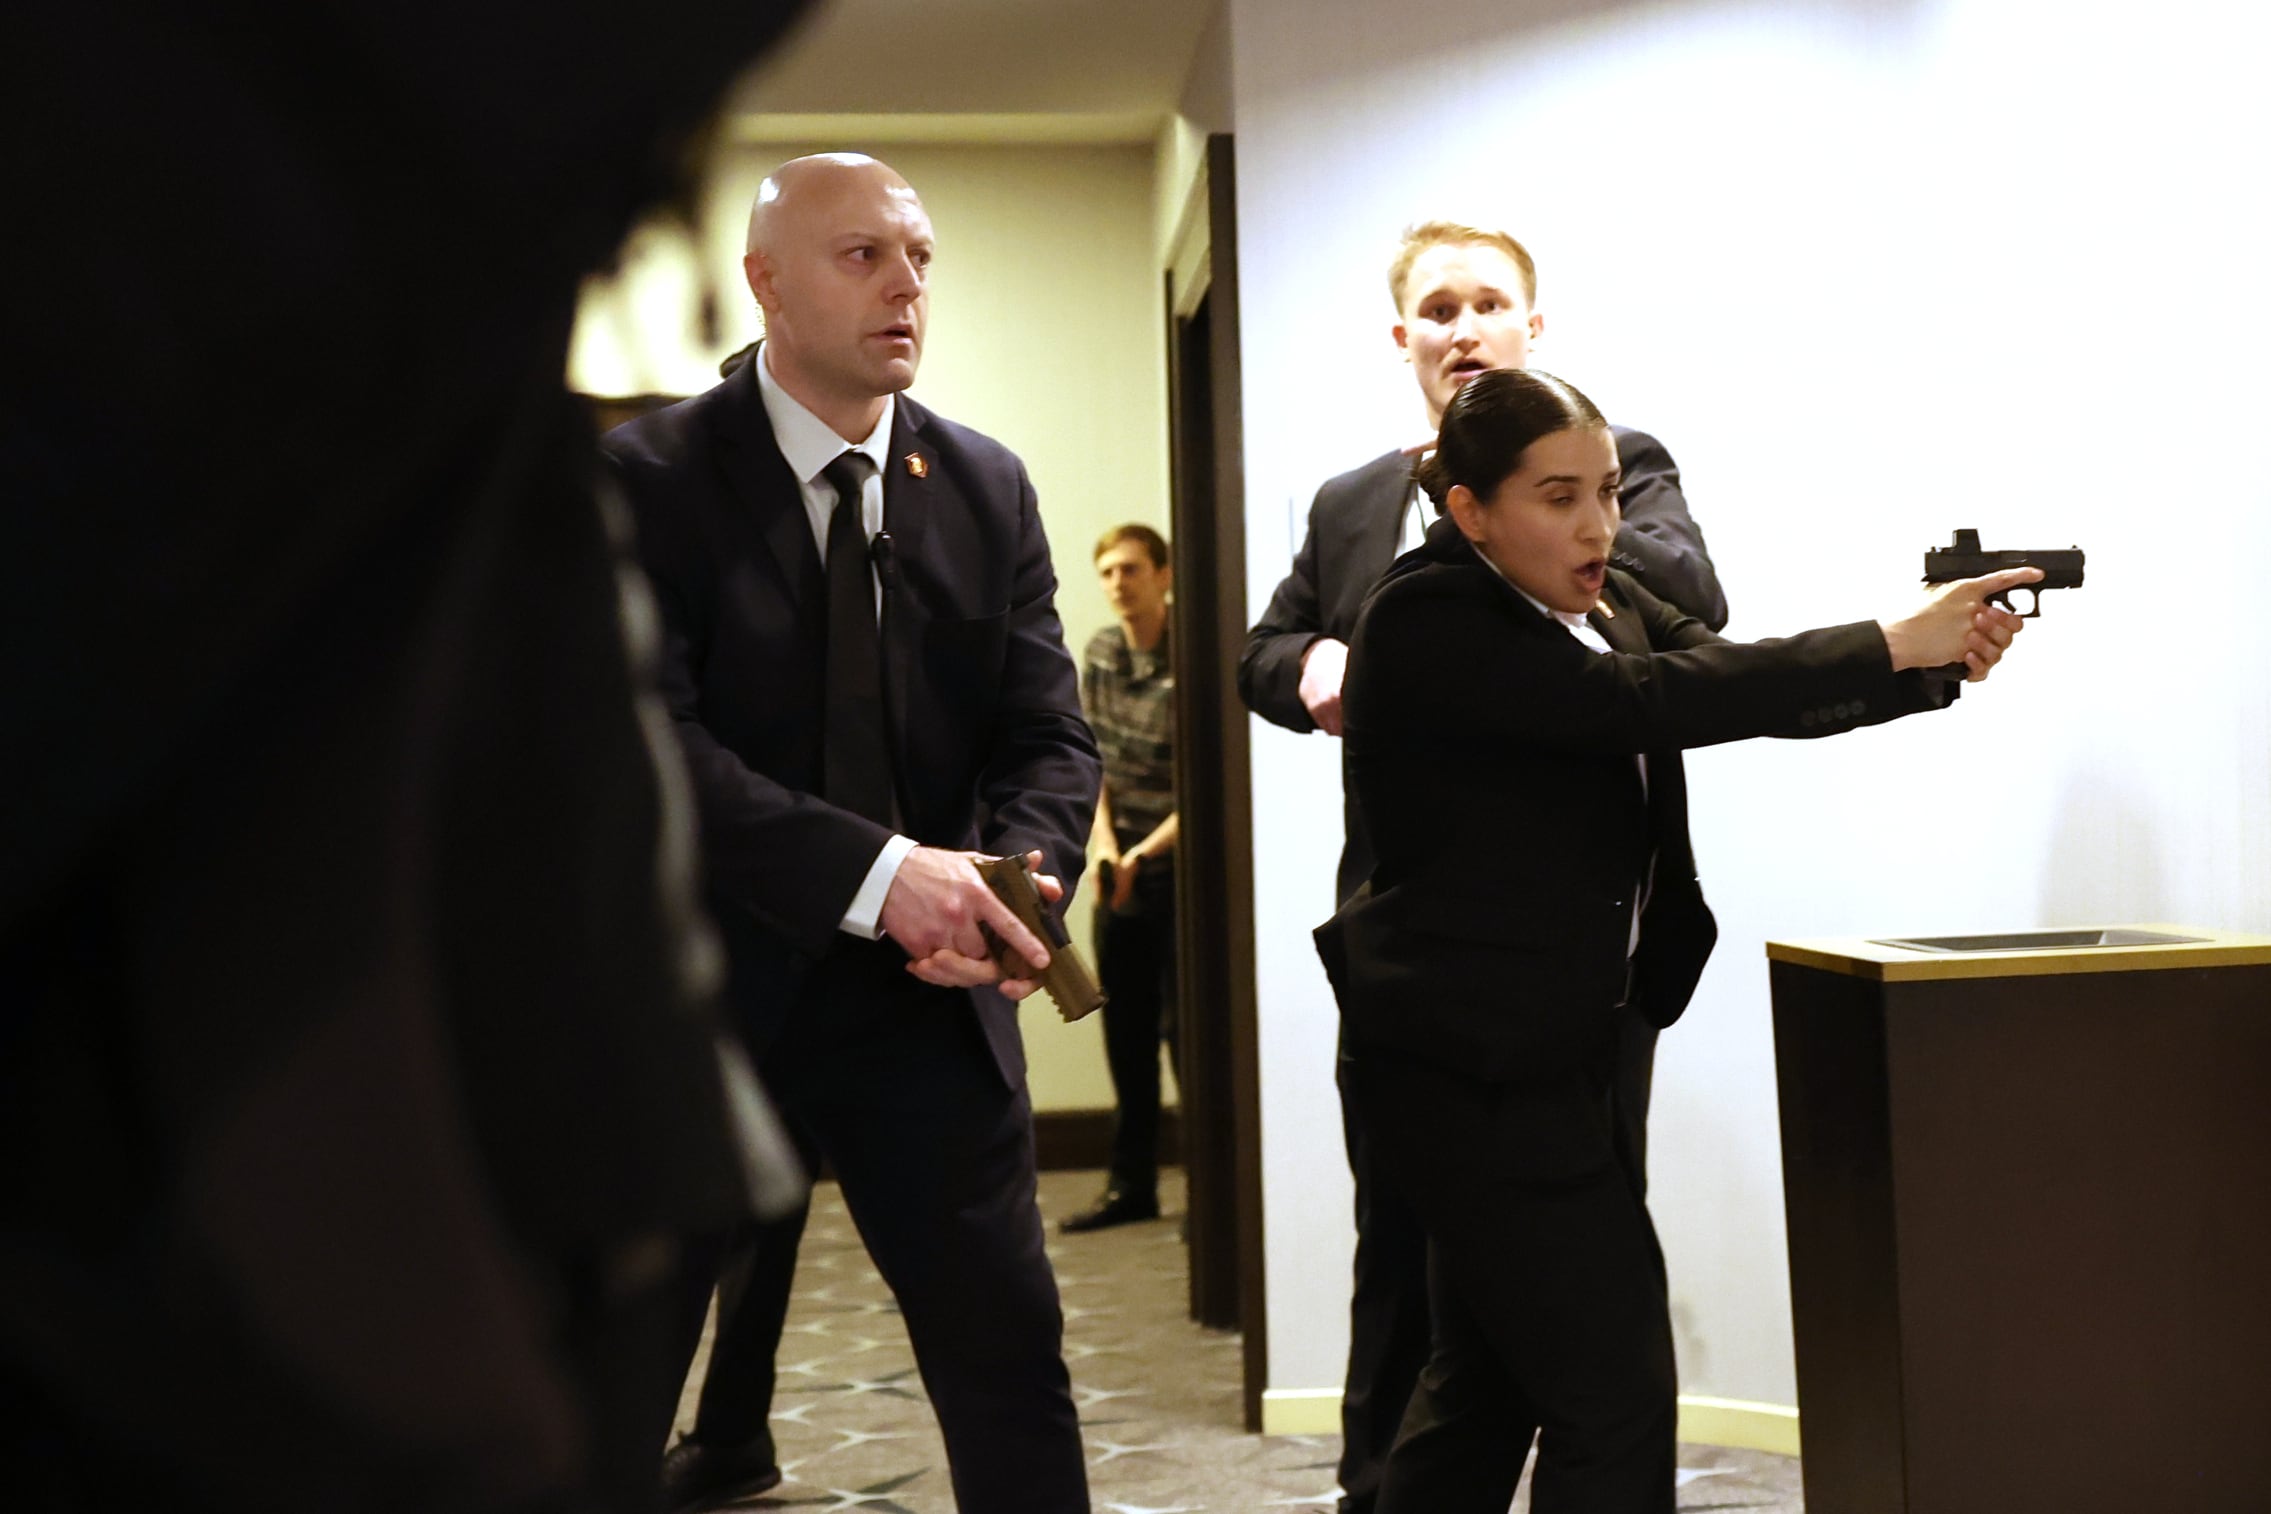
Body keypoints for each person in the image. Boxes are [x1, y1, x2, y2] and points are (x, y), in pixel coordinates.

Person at [1, 3, 815, 1511]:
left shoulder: (425, 365)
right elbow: (285, 862)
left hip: (533, 1193)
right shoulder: (269, 296)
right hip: (340, 1288)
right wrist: (443, 1370)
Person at [1316, 367, 2034, 1512]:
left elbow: (1730, 680)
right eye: (1559, 496)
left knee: (1490, 1384)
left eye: (1607, 490)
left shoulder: (1605, 603)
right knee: (1615, 1394)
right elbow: (1643, 701)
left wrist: (1929, 660)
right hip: (1469, 1066)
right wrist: (1891, 639)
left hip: (1555, 1047)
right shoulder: (1426, 615)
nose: (1598, 524)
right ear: (1471, 511)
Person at [602, 154, 1100, 1514]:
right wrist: (884, 878)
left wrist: (1020, 882)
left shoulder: (982, 484)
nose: (905, 286)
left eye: (920, 257)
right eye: (863, 255)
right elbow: (646, 747)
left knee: (1010, 1368)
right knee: (608, 1390)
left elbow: (1047, 734)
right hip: (694, 1005)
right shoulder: (644, 478)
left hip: (925, 1010)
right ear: (764, 282)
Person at [1238, 218, 1728, 1514]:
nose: (1465, 327)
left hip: (1586, 964)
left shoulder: (1621, 464)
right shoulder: (1354, 502)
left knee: (1573, 1283)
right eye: (1439, 307)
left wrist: (1541, 501)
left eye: (1490, 303)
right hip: (1414, 960)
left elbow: (1695, 602)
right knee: (1406, 1264)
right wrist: (1311, 661)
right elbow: (1260, 649)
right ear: (1403, 336)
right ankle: (1373, 1489)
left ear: (1532, 325)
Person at [1062, 524, 1183, 1233]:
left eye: (1132, 569)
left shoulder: (1191, 650)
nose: (1118, 583)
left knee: (1184, 1032)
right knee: (1126, 1031)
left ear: (1163, 575)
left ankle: (1212, 1188)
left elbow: (1208, 778)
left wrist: (1145, 854)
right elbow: (1092, 758)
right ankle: (1130, 1184)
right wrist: (1107, 848)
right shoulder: (1103, 652)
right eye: (1107, 571)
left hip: (1181, 865)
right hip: (1120, 864)